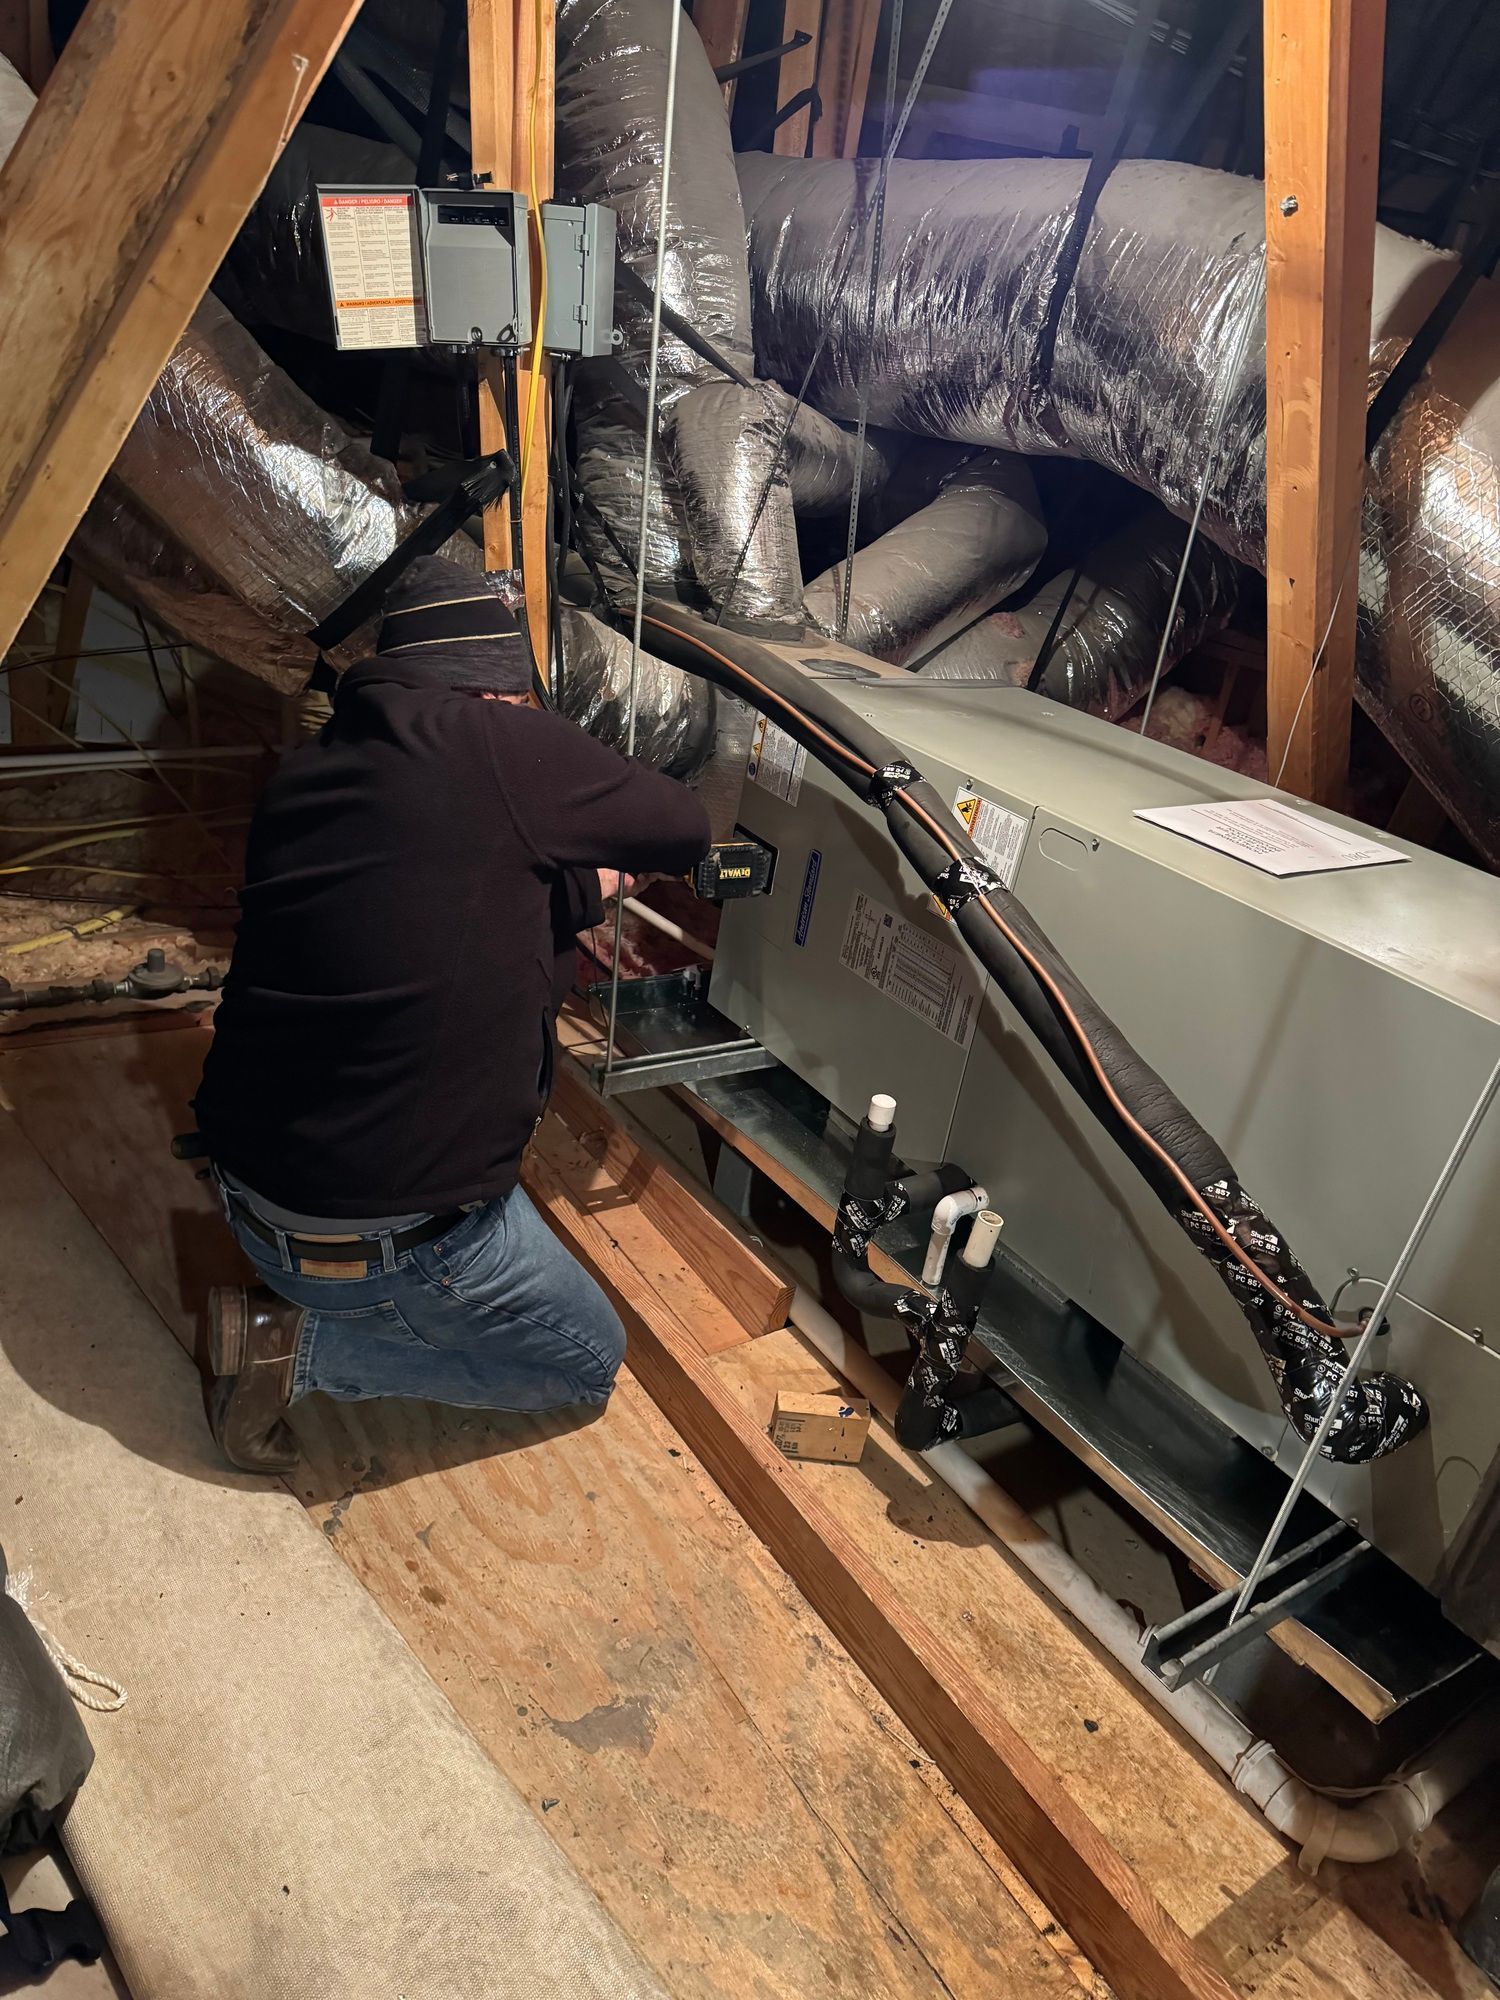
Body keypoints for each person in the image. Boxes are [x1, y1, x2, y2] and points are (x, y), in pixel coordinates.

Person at [193, 555, 712, 1472]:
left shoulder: (310, 772)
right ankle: (292, 1350)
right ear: (501, 690)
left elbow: (434, 908)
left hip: (248, 1191)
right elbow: (682, 825)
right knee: (587, 1362)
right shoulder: (494, 742)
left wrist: (575, 888)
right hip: (367, 1245)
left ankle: (307, 1301)